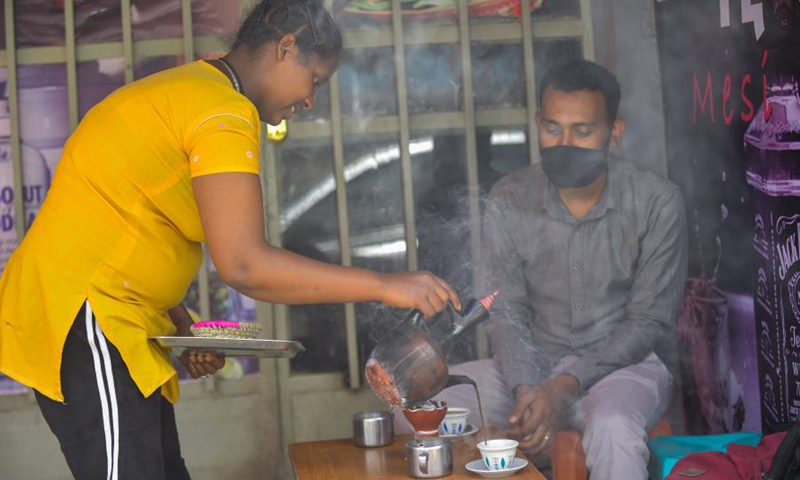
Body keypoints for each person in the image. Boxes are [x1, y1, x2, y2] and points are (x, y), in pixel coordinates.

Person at [0, 1, 461, 479]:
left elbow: (128, 213)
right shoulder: (222, 108)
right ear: (286, 48)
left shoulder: (197, 91)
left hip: (115, 314)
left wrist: (179, 322)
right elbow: (243, 265)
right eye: (316, 80)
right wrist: (385, 284)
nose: (309, 101)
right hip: (85, 315)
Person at [397, 60, 688, 480]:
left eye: (583, 131)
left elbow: (647, 322)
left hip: (625, 370)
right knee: (414, 410)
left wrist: (563, 386)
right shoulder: (511, 197)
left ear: (615, 132)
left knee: (613, 432)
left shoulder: (657, 202)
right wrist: (526, 389)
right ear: (537, 123)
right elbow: (504, 309)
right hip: (529, 369)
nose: (564, 143)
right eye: (553, 129)